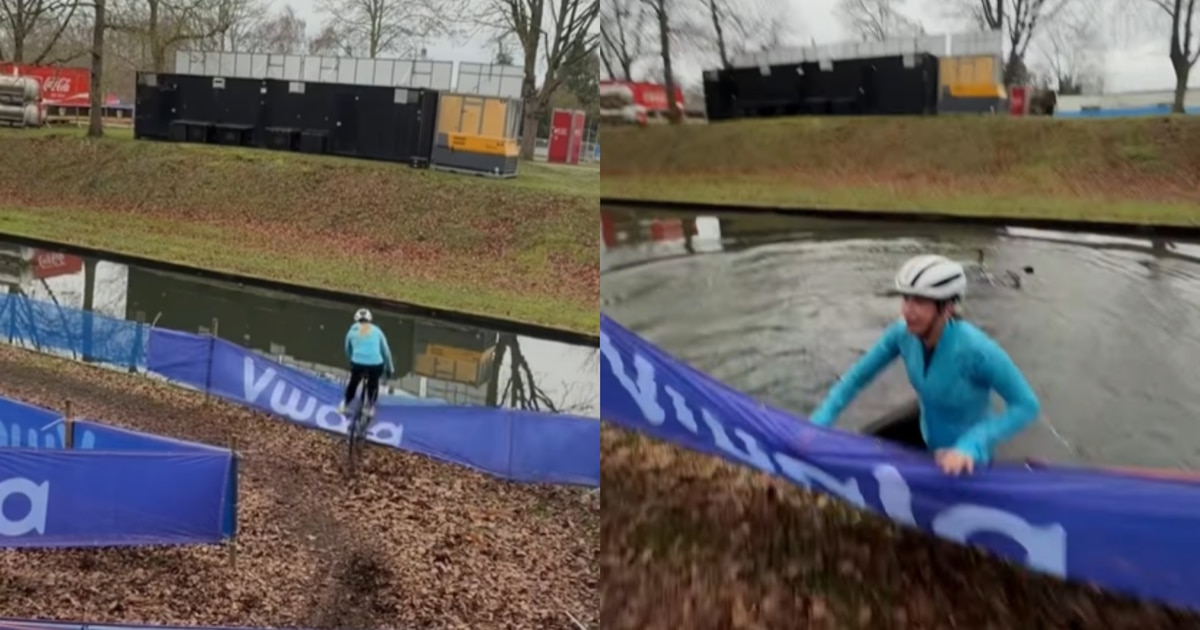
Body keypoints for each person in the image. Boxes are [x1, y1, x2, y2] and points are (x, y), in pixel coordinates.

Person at [808, 254, 1041, 476]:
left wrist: (971, 445)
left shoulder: (978, 351)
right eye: (906, 299)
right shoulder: (902, 333)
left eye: (919, 301)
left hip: (964, 454)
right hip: (925, 428)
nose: (907, 310)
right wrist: (820, 421)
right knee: (864, 447)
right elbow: (856, 378)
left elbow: (1026, 405)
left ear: (947, 308)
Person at [338, 308, 395, 418]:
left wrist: (352, 360)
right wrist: (390, 369)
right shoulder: (377, 331)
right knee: (373, 382)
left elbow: (347, 350)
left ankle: (344, 404)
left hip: (357, 363)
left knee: (353, 382)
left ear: (356, 320)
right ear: (370, 320)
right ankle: (369, 407)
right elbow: (386, 352)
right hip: (375, 364)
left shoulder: (351, 332)